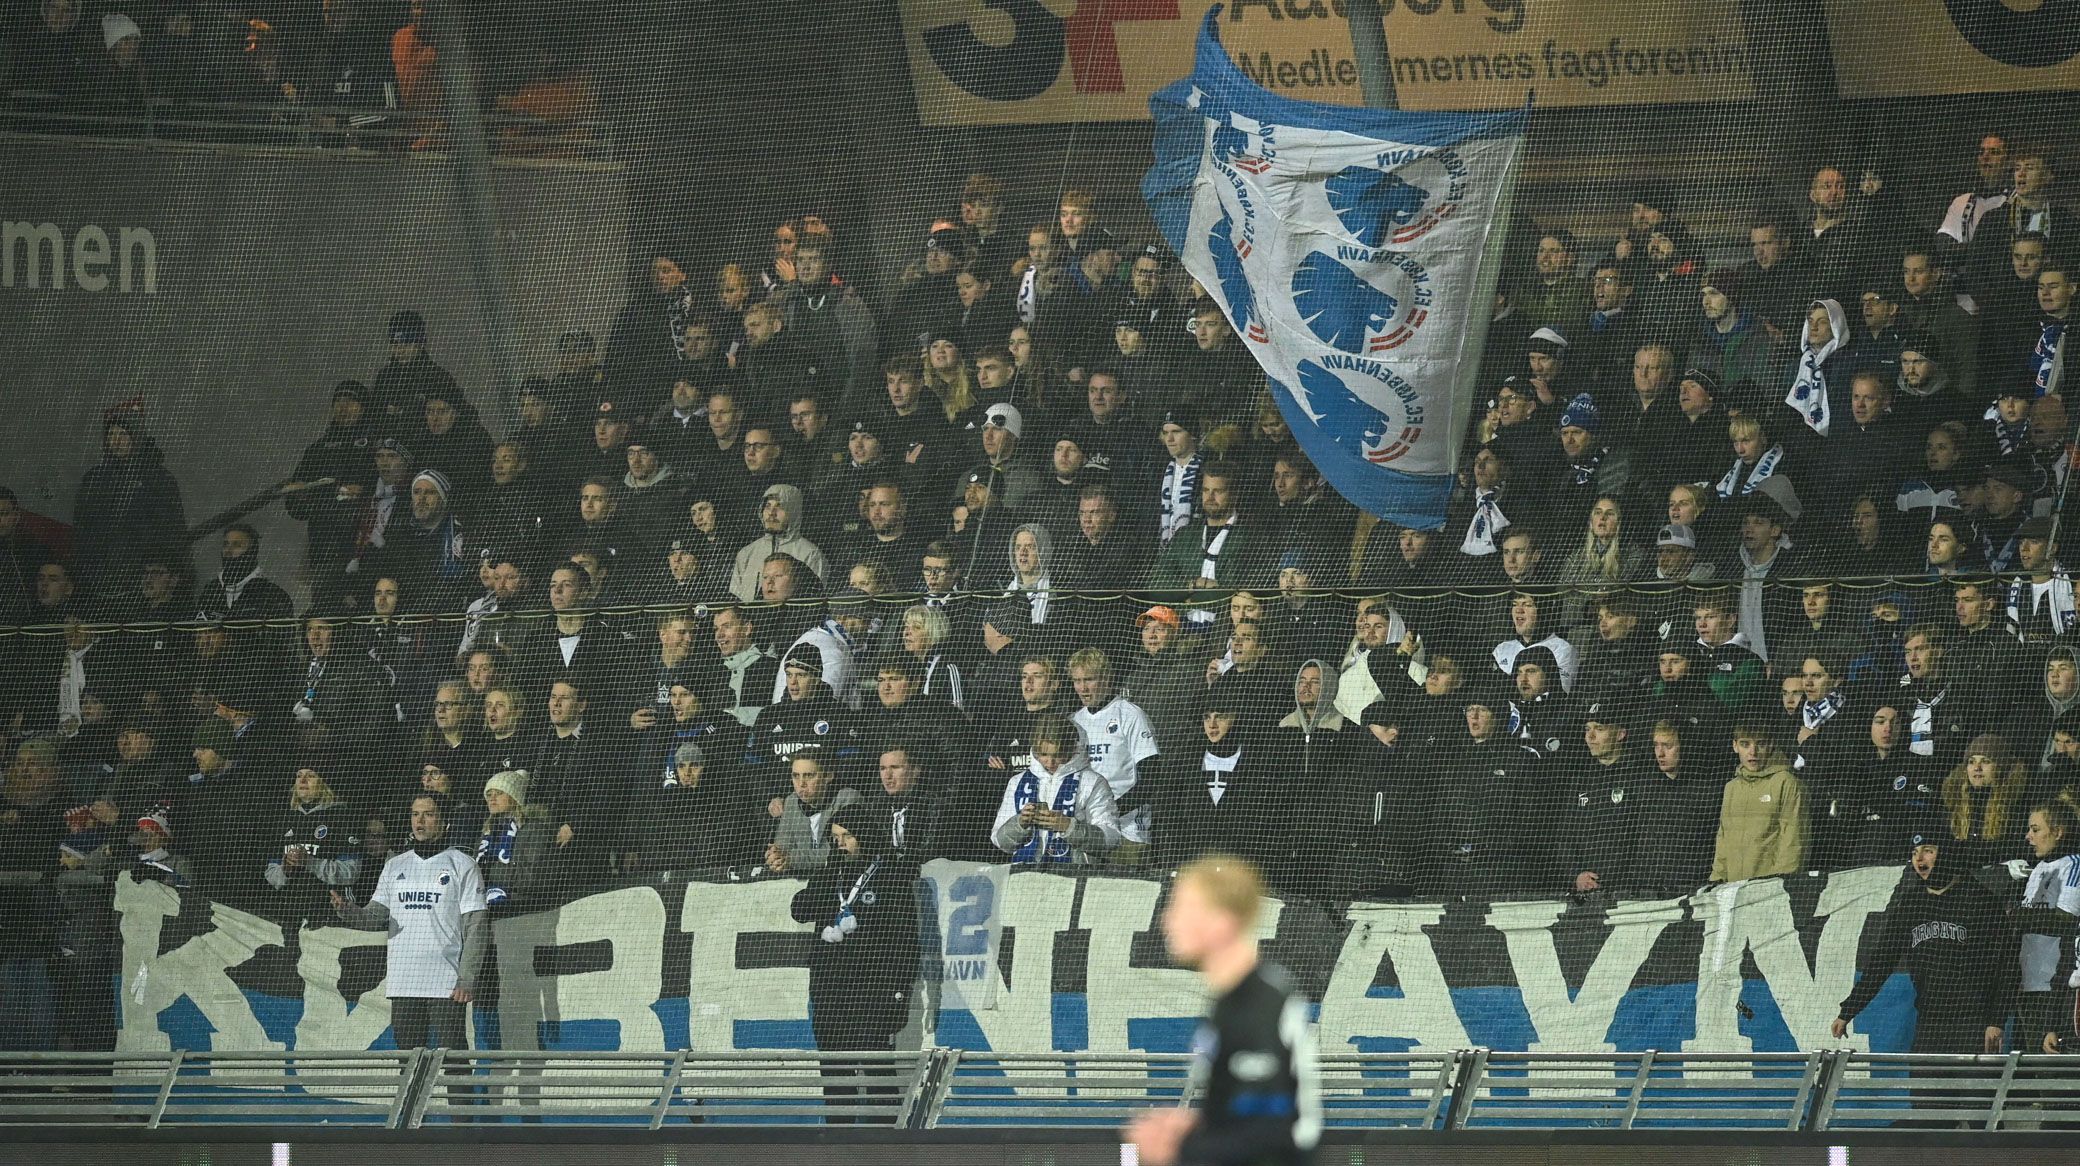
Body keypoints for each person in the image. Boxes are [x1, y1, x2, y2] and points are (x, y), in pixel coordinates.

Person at [1124, 856, 1319, 1166]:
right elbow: (1244, 1119)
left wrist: (1177, 1150)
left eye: (1182, 908)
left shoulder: (1257, 1005)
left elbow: (1270, 1134)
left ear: (1222, 921)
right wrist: (1195, 1125)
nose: (1167, 919)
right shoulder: (1233, 998)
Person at [788, 802, 920, 1125]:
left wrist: (898, 994)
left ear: (865, 835)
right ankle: (840, 1151)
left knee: (878, 1079)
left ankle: (888, 1151)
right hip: (830, 992)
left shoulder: (890, 876)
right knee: (837, 1082)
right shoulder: (831, 874)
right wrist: (828, 873)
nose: (841, 844)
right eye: (835, 838)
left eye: (847, 837)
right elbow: (798, 909)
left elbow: (905, 942)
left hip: (871, 991)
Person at [329, 794, 488, 1050]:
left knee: (453, 1061)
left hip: (445, 984)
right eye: (415, 814)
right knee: (409, 1061)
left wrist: (466, 979)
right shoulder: (395, 865)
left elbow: (476, 928)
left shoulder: (463, 864)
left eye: (429, 814)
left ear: (444, 821)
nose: (420, 820)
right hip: (404, 982)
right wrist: (347, 910)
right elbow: (373, 918)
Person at [1831, 837, 2012, 1056]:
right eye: (1915, 851)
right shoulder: (1911, 904)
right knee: (1924, 1089)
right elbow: (1882, 960)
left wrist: (1996, 1020)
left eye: (1928, 850)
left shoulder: (1981, 900)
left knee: (1974, 1090)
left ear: (1945, 853)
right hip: (1929, 1023)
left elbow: (2006, 965)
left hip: (1974, 1022)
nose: (1919, 858)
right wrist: (1848, 1011)